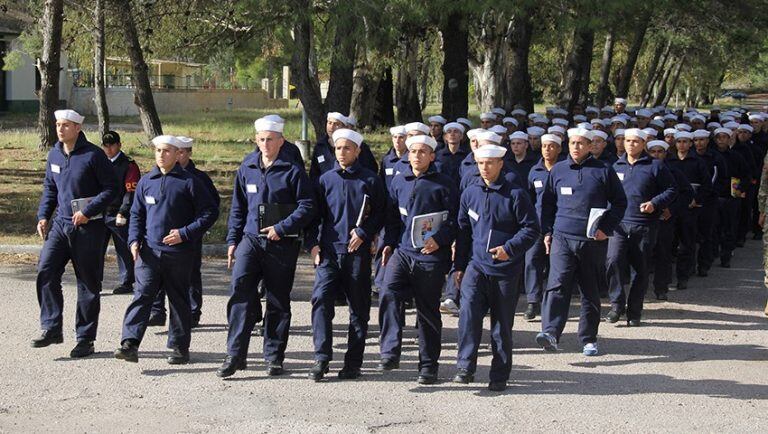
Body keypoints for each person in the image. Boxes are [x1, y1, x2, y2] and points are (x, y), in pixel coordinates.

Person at [217, 118, 315, 378]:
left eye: (270, 139)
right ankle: (235, 354)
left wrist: (281, 228)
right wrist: (232, 241)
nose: (265, 144)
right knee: (240, 293)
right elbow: (238, 207)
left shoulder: (292, 170)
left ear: (281, 141)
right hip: (250, 240)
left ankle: (273, 357)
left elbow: (307, 205)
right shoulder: (248, 166)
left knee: (277, 300)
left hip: (281, 243)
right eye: (261, 139)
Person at [114, 135, 219, 364]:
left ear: (177, 153)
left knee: (178, 299)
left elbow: (210, 212)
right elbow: (136, 214)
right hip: (149, 252)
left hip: (179, 254)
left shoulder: (189, 182)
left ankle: (179, 347)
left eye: (167, 151)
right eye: (158, 151)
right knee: (142, 295)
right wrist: (133, 240)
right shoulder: (146, 181)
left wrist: (185, 233)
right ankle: (129, 343)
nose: (162, 155)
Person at [452, 144, 539, 391]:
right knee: (468, 317)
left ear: (501, 164)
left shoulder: (515, 194)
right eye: (481, 163)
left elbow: (531, 228)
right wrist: (459, 267)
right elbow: (464, 231)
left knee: (501, 326)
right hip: (476, 267)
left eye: (490, 163)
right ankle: (464, 367)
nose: (485, 168)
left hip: (505, 270)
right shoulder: (470, 193)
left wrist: (509, 249)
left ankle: (499, 374)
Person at [33, 109, 118, 358]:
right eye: (58, 125)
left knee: (88, 284)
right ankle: (51, 327)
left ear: (78, 128)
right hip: (60, 224)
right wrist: (42, 216)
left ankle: (85, 339)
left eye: (66, 125)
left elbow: (112, 188)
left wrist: (89, 212)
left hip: (88, 227)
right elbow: (50, 188)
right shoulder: (55, 154)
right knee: (45, 271)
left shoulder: (93, 155)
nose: (60, 129)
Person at [537, 127, 627, 356]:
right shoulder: (558, 170)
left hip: (590, 241)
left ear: (589, 146)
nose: (576, 147)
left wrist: (605, 229)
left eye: (581, 143)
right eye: (572, 143)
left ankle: (588, 338)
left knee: (589, 290)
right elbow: (547, 204)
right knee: (557, 284)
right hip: (561, 238)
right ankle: (550, 332)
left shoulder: (603, 171)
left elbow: (619, 202)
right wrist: (547, 232)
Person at [305, 129, 386, 381]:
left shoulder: (370, 180)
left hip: (357, 255)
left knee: (359, 309)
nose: (342, 152)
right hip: (329, 252)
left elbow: (382, 213)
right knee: (320, 300)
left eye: (347, 148)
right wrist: (312, 245)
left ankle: (353, 363)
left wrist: (364, 232)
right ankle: (322, 357)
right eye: (338, 148)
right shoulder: (324, 180)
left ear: (358, 151)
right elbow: (313, 216)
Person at [379, 134, 458, 384]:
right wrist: (388, 243)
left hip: (430, 257)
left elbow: (457, 220)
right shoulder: (399, 181)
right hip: (403, 251)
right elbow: (391, 217)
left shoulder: (444, 184)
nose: (416, 156)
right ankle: (390, 351)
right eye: (413, 152)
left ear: (432, 156)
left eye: (422, 152)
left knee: (427, 311)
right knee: (388, 291)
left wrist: (441, 239)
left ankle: (428, 365)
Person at [605, 129, 676, 326]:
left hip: (644, 225)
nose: (630, 144)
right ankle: (616, 304)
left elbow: (671, 189)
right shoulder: (616, 165)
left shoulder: (655, 166)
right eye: (627, 141)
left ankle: (634, 311)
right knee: (613, 261)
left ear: (644, 143)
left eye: (635, 141)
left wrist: (655, 203)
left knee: (640, 268)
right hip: (619, 224)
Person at [149, 136, 220, 327]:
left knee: (190, 274)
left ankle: (193, 311)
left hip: (189, 235)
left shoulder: (197, 178)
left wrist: (191, 229)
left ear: (187, 153)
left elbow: (211, 207)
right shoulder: (158, 176)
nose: (177, 155)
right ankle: (157, 311)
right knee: (156, 273)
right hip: (161, 236)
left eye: (181, 152)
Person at [666, 131, 712, 289]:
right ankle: (665, 277)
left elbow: (707, 184)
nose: (682, 145)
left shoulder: (698, 162)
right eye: (679, 141)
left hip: (690, 208)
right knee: (669, 243)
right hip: (672, 207)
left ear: (690, 144)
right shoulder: (669, 161)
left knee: (687, 243)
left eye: (686, 142)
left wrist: (696, 200)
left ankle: (683, 275)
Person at [523, 134, 562, 321]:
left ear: (559, 149)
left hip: (559, 224)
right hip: (537, 225)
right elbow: (529, 199)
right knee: (532, 261)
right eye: (544, 146)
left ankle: (553, 301)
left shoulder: (564, 169)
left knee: (556, 265)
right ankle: (532, 301)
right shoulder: (534, 171)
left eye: (552, 146)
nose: (547, 149)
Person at [100, 130, 141, 295]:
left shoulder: (128, 165)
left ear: (119, 145)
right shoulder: (100, 162)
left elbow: (131, 191)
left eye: (112, 145)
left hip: (119, 213)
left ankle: (126, 282)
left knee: (123, 249)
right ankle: (94, 281)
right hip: (101, 212)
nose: (109, 149)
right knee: (96, 249)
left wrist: (123, 212)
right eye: (106, 145)